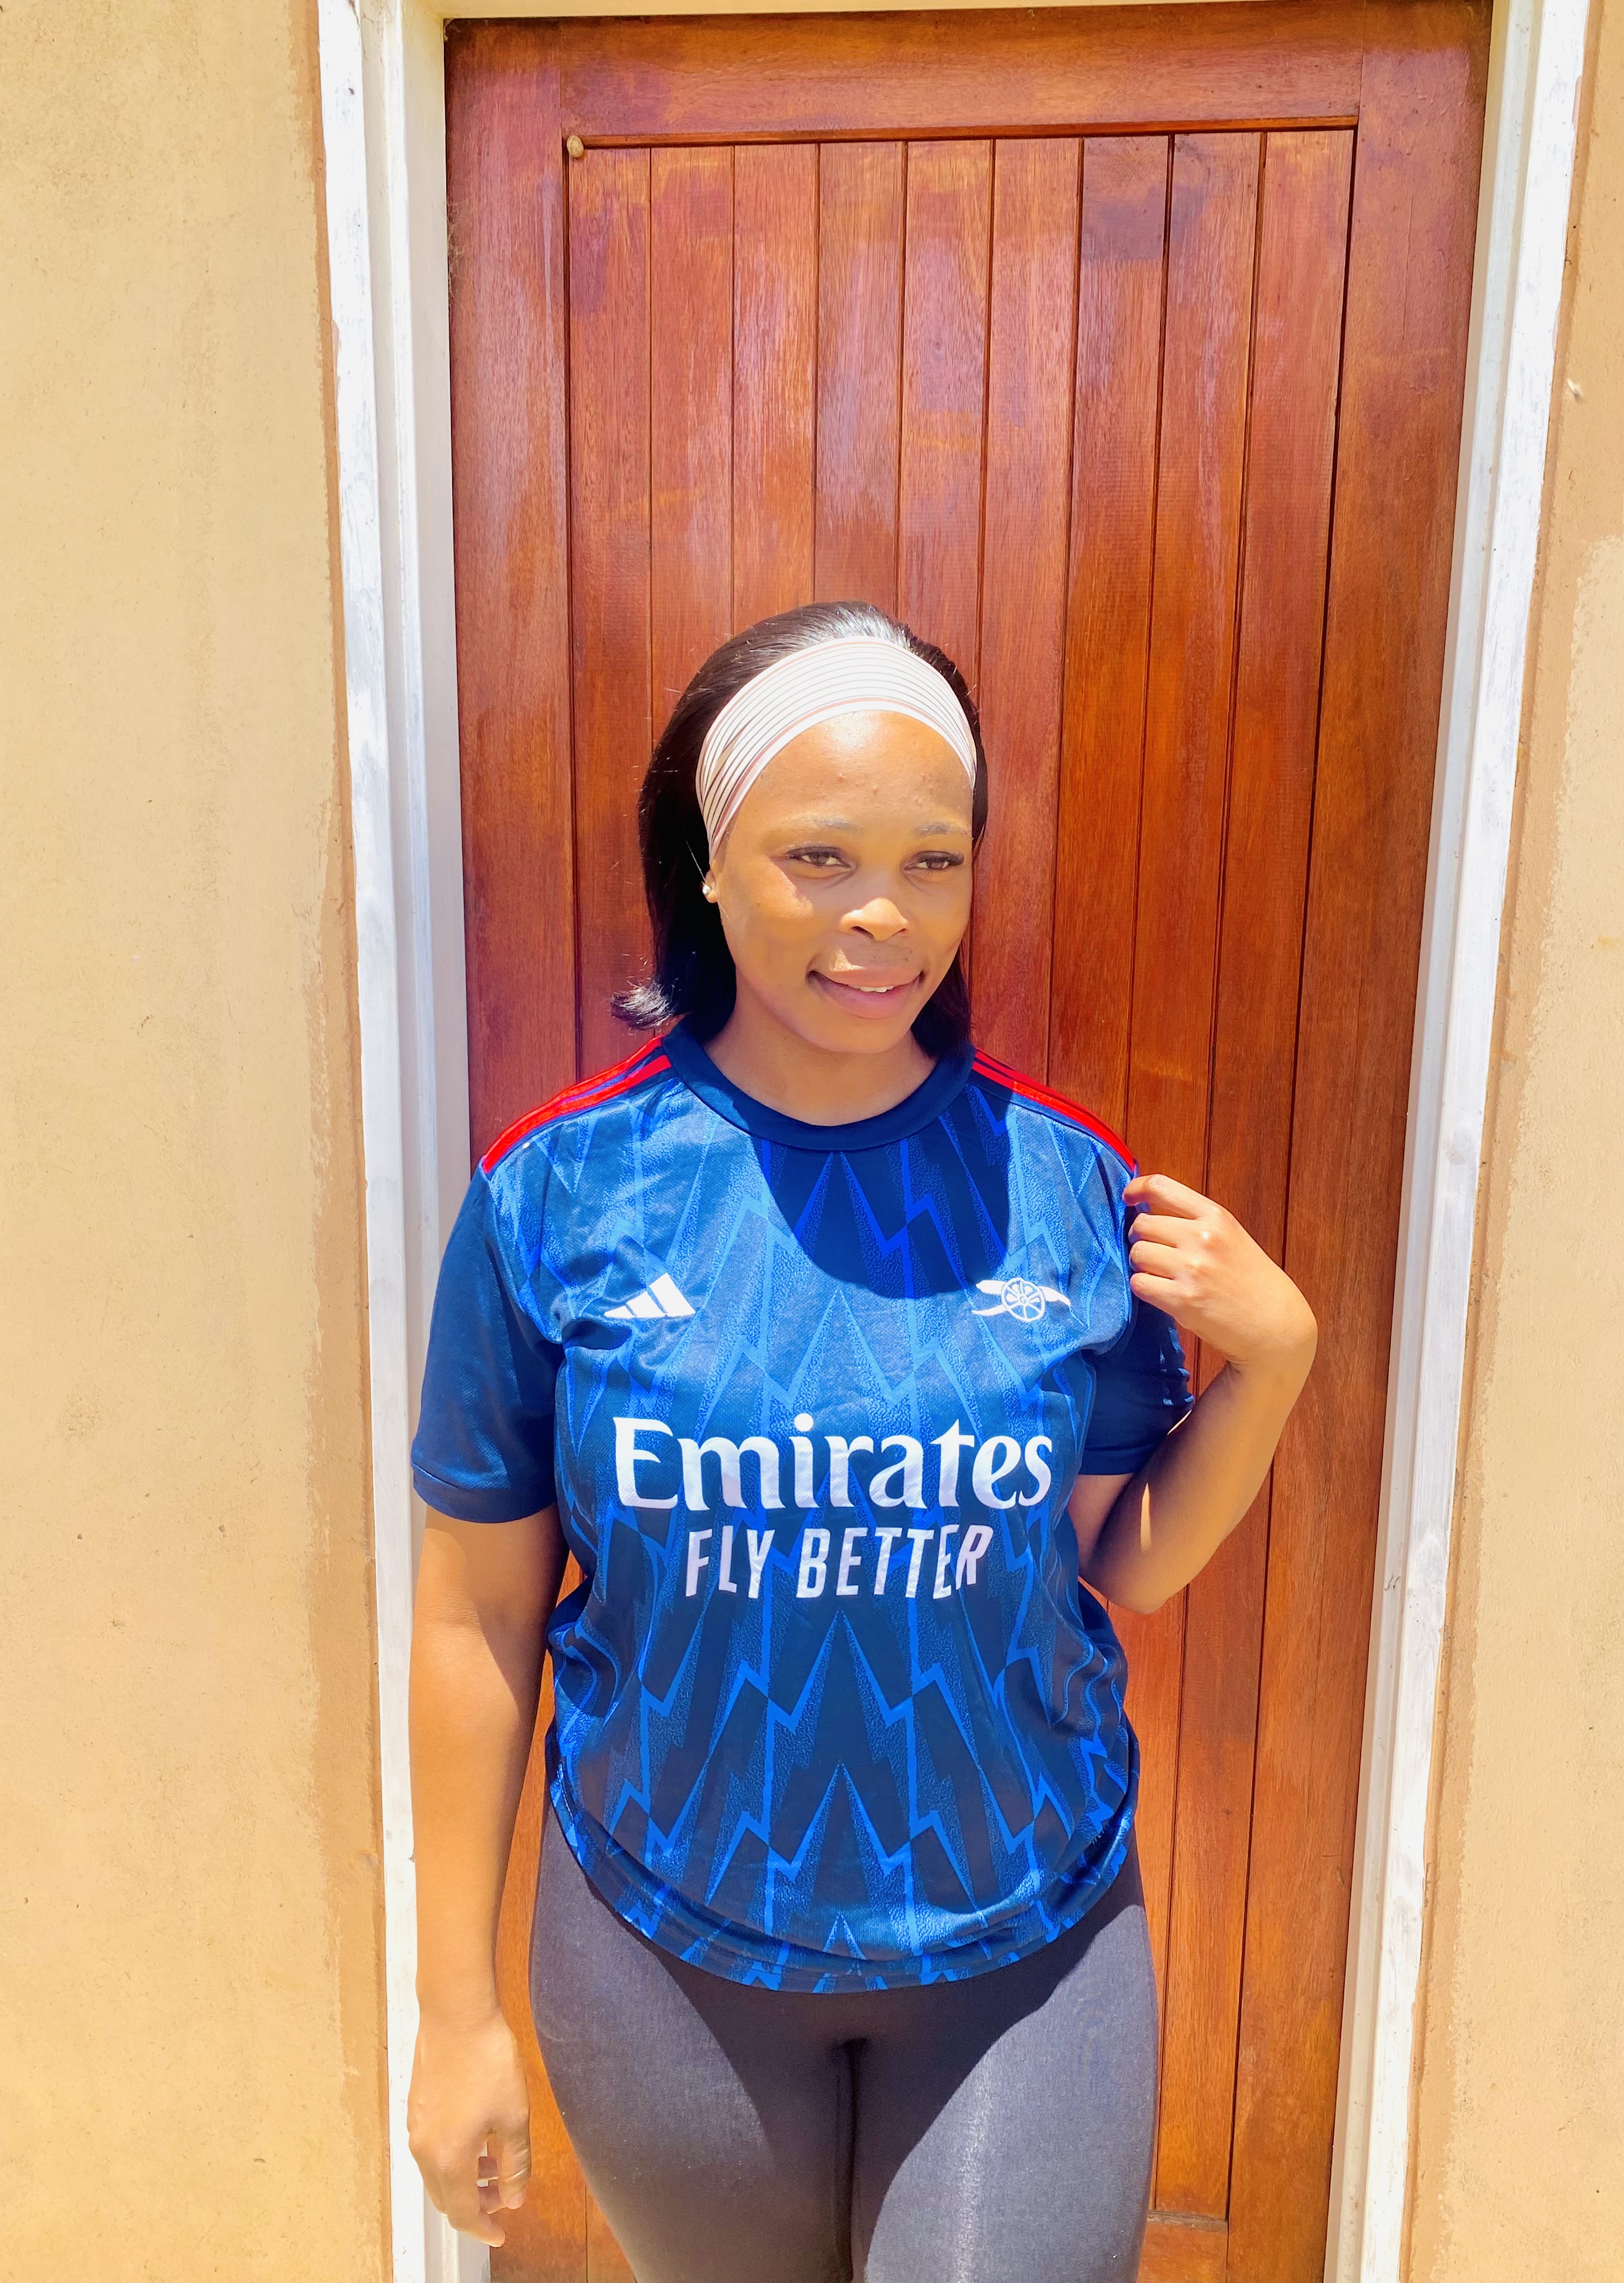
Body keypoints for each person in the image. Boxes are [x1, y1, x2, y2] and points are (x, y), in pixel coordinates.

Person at [404, 599, 1317, 2283]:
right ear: (708, 865)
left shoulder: (1063, 1185)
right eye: (817, 856)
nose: (883, 914)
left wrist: (1273, 1367)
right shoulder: (555, 1195)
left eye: (933, 862)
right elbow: (476, 1616)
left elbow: (1125, 1564)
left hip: (1022, 1945)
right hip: (667, 1951)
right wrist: (452, 2009)